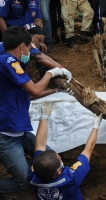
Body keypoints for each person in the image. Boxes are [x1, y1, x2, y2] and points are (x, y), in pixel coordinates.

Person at [0, 26, 71, 194]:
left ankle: (52, 179)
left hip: (19, 130)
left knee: (52, 156)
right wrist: (52, 73)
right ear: (23, 46)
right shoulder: (8, 61)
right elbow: (35, 90)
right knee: (23, 181)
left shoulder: (12, 64)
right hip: (6, 136)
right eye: (31, 47)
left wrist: (57, 89)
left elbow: (30, 94)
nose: (31, 51)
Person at [28, 101, 103, 200]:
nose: (60, 156)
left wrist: (44, 116)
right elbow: (88, 150)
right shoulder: (71, 177)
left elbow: (40, 145)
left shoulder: (32, 174)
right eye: (59, 159)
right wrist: (96, 126)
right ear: (58, 172)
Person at [0, 25, 72, 80]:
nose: (40, 44)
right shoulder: (26, 45)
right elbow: (41, 57)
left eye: (42, 41)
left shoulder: (17, 43)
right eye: (39, 40)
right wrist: (61, 69)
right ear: (30, 36)